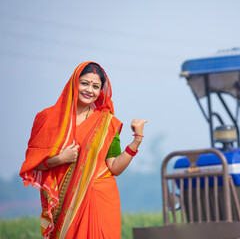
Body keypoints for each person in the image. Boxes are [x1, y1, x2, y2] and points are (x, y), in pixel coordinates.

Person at [19, 61, 146, 239]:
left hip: (100, 200)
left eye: (96, 86)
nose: (89, 90)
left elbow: (115, 167)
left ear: (101, 91)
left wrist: (137, 140)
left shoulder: (107, 123)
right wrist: (60, 159)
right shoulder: (48, 119)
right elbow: (33, 163)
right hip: (64, 203)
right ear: (74, 83)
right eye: (85, 83)